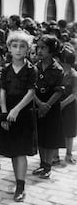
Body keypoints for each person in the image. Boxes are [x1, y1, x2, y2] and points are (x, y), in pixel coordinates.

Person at [0, 30, 37, 202]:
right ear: (9, 48)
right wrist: (5, 112)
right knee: (14, 151)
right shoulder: (5, 69)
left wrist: (16, 110)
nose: (18, 50)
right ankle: (17, 181)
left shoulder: (31, 70)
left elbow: (31, 92)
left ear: (27, 49)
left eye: (22, 46)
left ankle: (21, 187)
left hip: (24, 112)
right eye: (15, 46)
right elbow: (3, 91)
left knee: (21, 151)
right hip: (9, 111)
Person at [32, 35, 65, 179]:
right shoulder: (34, 67)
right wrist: (39, 104)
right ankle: (42, 164)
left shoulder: (57, 69)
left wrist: (47, 106)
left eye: (43, 48)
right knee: (40, 136)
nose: (39, 51)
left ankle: (48, 166)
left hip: (51, 106)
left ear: (51, 50)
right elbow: (30, 88)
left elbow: (59, 91)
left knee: (50, 138)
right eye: (38, 47)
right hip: (37, 104)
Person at [58, 46, 77, 164]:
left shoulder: (74, 75)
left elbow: (75, 94)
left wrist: (63, 104)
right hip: (59, 104)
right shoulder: (59, 72)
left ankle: (68, 154)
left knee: (69, 130)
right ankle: (55, 155)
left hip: (70, 106)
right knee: (57, 129)